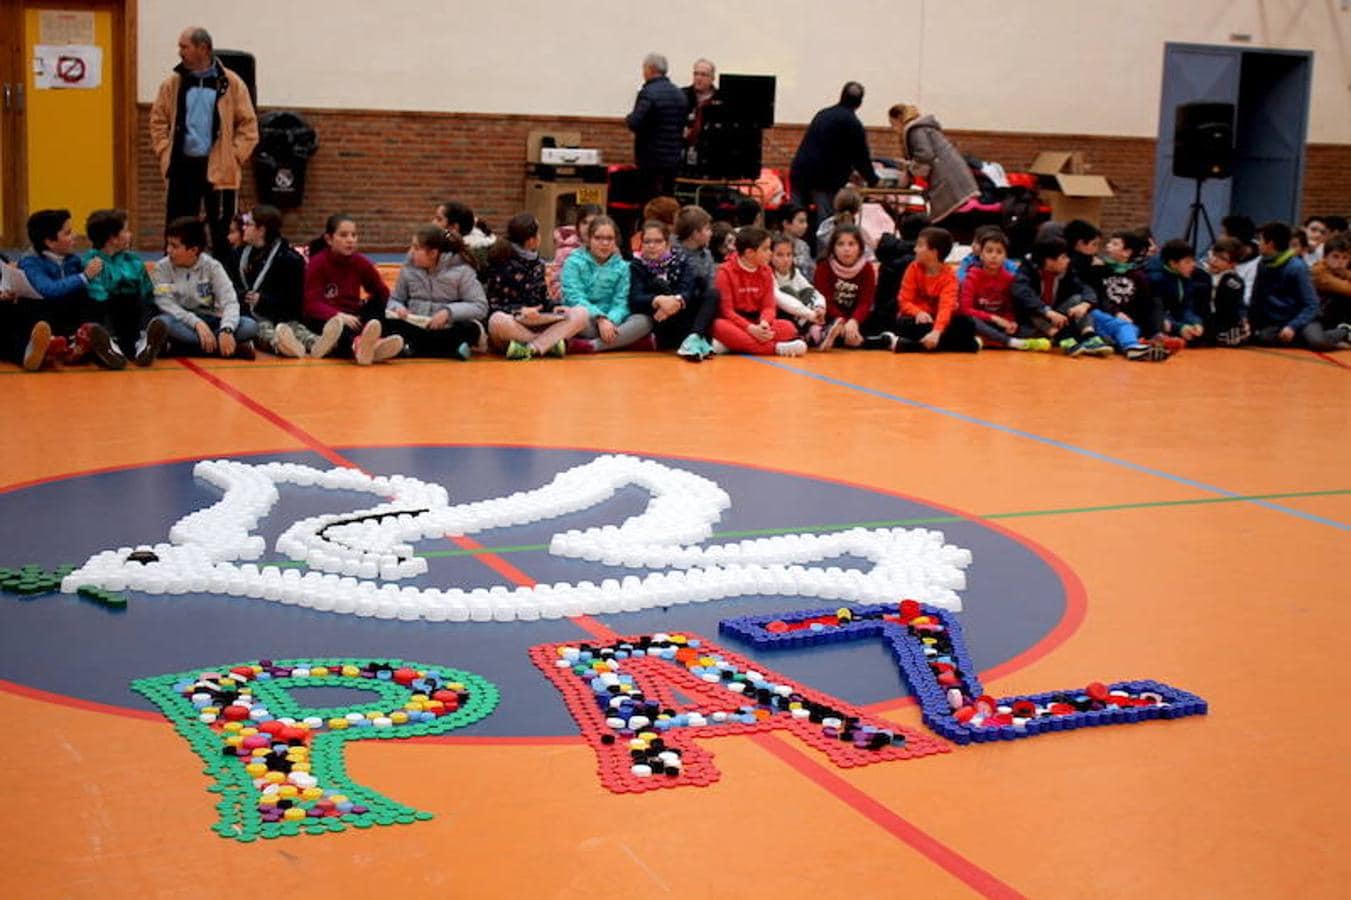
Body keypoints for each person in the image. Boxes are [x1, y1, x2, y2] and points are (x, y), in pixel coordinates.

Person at [148, 27, 258, 256]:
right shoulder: (173, 83)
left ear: (203, 48)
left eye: (184, 47)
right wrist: (163, 150)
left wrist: (234, 156)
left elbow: (248, 126)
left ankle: (224, 283)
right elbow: (157, 120)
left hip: (219, 169)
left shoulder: (231, 83)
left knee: (222, 232)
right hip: (182, 166)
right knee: (178, 228)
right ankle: (173, 282)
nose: (180, 52)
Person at [16, 208, 119, 368]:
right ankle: (47, 347)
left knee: (95, 298)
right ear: (50, 242)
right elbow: (49, 290)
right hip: (44, 315)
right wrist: (84, 277)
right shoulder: (30, 262)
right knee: (32, 308)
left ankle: (88, 345)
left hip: (69, 318)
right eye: (67, 233)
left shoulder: (73, 260)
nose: (74, 236)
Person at [485, 213, 589, 360]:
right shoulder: (501, 262)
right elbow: (493, 305)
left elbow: (544, 298)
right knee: (497, 321)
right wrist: (520, 310)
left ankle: (531, 348)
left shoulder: (538, 264)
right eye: (538, 232)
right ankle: (549, 344)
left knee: (581, 313)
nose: (541, 236)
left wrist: (555, 307)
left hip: (539, 320)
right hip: (515, 323)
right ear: (531, 240)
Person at [151, 216, 257, 359]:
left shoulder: (212, 267)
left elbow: (230, 301)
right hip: (182, 321)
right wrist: (196, 323)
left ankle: (180, 349)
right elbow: (164, 303)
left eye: (174, 246)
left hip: (212, 322)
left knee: (250, 326)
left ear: (193, 250)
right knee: (163, 323)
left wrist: (227, 329)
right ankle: (227, 349)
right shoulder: (161, 268)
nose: (168, 250)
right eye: (168, 244)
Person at [302, 214, 402, 364]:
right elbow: (311, 303)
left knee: (379, 308)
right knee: (337, 331)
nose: (350, 240)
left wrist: (369, 312)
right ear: (329, 239)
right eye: (343, 235)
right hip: (328, 318)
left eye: (354, 235)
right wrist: (337, 314)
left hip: (354, 316)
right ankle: (360, 345)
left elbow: (381, 291)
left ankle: (372, 343)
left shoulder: (360, 262)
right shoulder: (318, 263)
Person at [386, 225, 488, 361]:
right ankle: (449, 349)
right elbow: (395, 299)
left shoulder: (462, 271)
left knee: (470, 329)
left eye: (416, 248)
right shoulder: (408, 269)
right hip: (417, 323)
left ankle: (411, 348)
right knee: (385, 319)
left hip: (447, 327)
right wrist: (398, 308)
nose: (410, 252)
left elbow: (480, 306)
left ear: (433, 253)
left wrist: (448, 312)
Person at [83, 208, 169, 366]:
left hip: (132, 314)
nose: (130, 234)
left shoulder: (133, 260)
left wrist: (167, 290)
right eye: (125, 230)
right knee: (106, 304)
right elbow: (97, 295)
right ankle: (110, 345)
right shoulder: (92, 261)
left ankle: (141, 345)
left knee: (142, 302)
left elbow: (148, 291)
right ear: (112, 238)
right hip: (108, 311)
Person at [1249, 221, 1350, 351]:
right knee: (1260, 338)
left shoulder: (1297, 267)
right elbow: (1257, 298)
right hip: (1278, 320)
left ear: (1270, 244)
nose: (1259, 244)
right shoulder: (1263, 264)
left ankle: (1343, 331)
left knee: (1317, 343)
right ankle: (1313, 339)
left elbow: (1312, 304)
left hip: (1303, 318)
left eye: (1261, 240)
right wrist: (1249, 321)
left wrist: (1292, 326)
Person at [560, 215, 653, 352]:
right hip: (585, 320)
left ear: (616, 241)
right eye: (598, 238)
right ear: (589, 239)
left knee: (644, 321)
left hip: (613, 322)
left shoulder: (623, 267)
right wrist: (600, 318)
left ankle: (593, 346)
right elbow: (574, 297)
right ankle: (620, 341)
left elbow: (621, 302)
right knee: (575, 317)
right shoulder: (573, 262)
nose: (604, 243)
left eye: (609, 239)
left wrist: (610, 320)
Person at [710, 226, 805, 356]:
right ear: (749, 253)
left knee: (789, 328)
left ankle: (734, 345)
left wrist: (764, 324)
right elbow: (727, 312)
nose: (770, 253)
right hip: (735, 322)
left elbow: (769, 307)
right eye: (765, 249)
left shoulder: (766, 271)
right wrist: (750, 329)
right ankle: (776, 349)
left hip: (757, 321)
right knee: (718, 326)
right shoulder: (725, 272)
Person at [789, 82, 878, 221]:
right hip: (824, 181)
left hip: (800, 173)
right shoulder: (853, 123)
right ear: (860, 103)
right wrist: (874, 181)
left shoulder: (823, 114)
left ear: (841, 96)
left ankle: (798, 242)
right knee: (824, 222)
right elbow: (861, 158)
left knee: (796, 219)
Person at [1011, 236, 1112, 357]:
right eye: (1063, 257)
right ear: (1049, 261)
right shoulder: (1026, 271)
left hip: (1057, 316)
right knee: (1030, 309)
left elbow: (1085, 288)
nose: (1068, 260)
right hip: (1031, 322)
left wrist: (1085, 304)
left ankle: (1090, 337)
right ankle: (1064, 338)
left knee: (1078, 299)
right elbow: (1023, 295)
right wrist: (1048, 312)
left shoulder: (1066, 270)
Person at [233, 205, 312, 358]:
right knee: (262, 330)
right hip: (254, 317)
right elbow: (230, 288)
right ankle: (281, 345)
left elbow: (294, 303)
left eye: (248, 224)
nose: (244, 228)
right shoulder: (238, 255)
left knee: (298, 330)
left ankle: (320, 344)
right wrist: (243, 296)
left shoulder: (290, 260)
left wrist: (263, 300)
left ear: (261, 230)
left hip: (282, 316)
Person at [958, 230, 1051, 351]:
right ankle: (1011, 342)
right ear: (981, 255)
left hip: (999, 324)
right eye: (989, 251)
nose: (994, 256)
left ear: (1006, 256)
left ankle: (991, 340)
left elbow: (1009, 307)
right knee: (967, 321)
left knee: (1034, 331)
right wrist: (994, 318)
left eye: (999, 252)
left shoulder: (1009, 278)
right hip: (981, 321)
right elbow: (966, 309)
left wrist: (1010, 322)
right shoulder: (972, 277)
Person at [888, 103, 979, 224]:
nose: (893, 129)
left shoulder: (915, 130)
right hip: (957, 180)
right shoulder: (924, 127)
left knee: (945, 224)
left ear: (899, 119)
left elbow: (925, 155)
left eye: (893, 124)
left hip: (948, 182)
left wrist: (908, 167)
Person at [894, 226, 980, 353]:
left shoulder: (950, 276)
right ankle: (962, 346)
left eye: (920, 245)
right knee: (904, 323)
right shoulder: (913, 268)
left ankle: (910, 346)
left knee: (968, 324)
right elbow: (904, 301)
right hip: (919, 319)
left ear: (934, 252)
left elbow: (946, 307)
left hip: (940, 320)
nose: (915, 249)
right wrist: (918, 312)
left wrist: (937, 332)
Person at [628, 220, 700, 352]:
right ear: (641, 243)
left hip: (680, 317)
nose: (652, 245)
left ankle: (694, 338)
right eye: (647, 241)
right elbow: (635, 298)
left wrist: (675, 302)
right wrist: (658, 300)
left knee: (706, 293)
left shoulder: (681, 261)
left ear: (667, 243)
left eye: (658, 241)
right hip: (653, 318)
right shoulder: (636, 265)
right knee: (659, 285)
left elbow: (687, 289)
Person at [625, 53, 688, 202]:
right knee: (668, 197)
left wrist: (628, 118)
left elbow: (636, 122)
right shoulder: (679, 94)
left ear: (650, 69)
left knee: (648, 198)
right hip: (673, 156)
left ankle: (650, 223)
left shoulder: (648, 93)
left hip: (650, 157)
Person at [815, 225, 888, 350]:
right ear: (833, 248)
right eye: (841, 244)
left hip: (858, 318)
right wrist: (841, 320)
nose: (846, 249)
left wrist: (854, 321)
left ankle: (873, 339)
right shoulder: (824, 267)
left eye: (851, 244)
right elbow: (825, 300)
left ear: (860, 248)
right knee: (821, 325)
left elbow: (865, 302)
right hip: (832, 318)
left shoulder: (867, 268)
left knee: (878, 321)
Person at [672, 205, 721, 360]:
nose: (711, 233)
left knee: (713, 293)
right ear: (695, 234)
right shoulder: (672, 251)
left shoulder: (706, 253)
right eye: (707, 229)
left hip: (697, 306)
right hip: (678, 304)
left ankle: (695, 336)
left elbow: (711, 283)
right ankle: (694, 338)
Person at [1145, 239, 1206, 345]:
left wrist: (1195, 323)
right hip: (1155, 322)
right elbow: (1156, 312)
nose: (1193, 265)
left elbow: (1186, 307)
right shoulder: (1154, 280)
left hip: (1175, 322)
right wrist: (1179, 327)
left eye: (1193, 260)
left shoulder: (1185, 277)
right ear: (1173, 263)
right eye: (1187, 262)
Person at [770, 234, 826, 343]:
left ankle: (811, 331)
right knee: (787, 291)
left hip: (802, 315)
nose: (785, 259)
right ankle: (809, 331)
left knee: (808, 292)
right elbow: (781, 300)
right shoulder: (769, 274)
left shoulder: (795, 272)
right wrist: (810, 315)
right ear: (770, 256)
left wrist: (820, 307)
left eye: (789, 255)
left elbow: (813, 292)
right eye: (779, 255)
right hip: (780, 314)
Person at [1200, 237, 1251, 347]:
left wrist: (1242, 321)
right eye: (1213, 255)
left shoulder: (1232, 281)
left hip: (1218, 322)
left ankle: (1219, 336)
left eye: (1222, 259)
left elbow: (1232, 310)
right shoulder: (1201, 273)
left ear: (1232, 264)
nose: (1214, 260)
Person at [547, 203, 603, 301]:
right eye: (584, 222)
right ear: (578, 225)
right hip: (572, 305)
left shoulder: (608, 250)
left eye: (593, 223)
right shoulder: (566, 251)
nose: (588, 227)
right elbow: (555, 287)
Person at [1311, 232, 1351, 336]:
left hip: (1334, 317)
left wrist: (1346, 274)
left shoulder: (1341, 272)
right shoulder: (1318, 271)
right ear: (1325, 257)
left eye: (1345, 257)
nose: (1340, 262)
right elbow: (1346, 289)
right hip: (1315, 317)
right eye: (1335, 257)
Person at [682, 58, 719, 159]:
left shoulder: (720, 98)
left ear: (712, 78)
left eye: (703, 75)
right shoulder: (682, 95)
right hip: (683, 149)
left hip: (710, 152)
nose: (698, 78)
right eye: (696, 74)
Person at [777, 202, 815, 281]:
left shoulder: (803, 246)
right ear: (786, 224)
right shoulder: (774, 245)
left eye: (806, 221)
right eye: (801, 221)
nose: (806, 225)